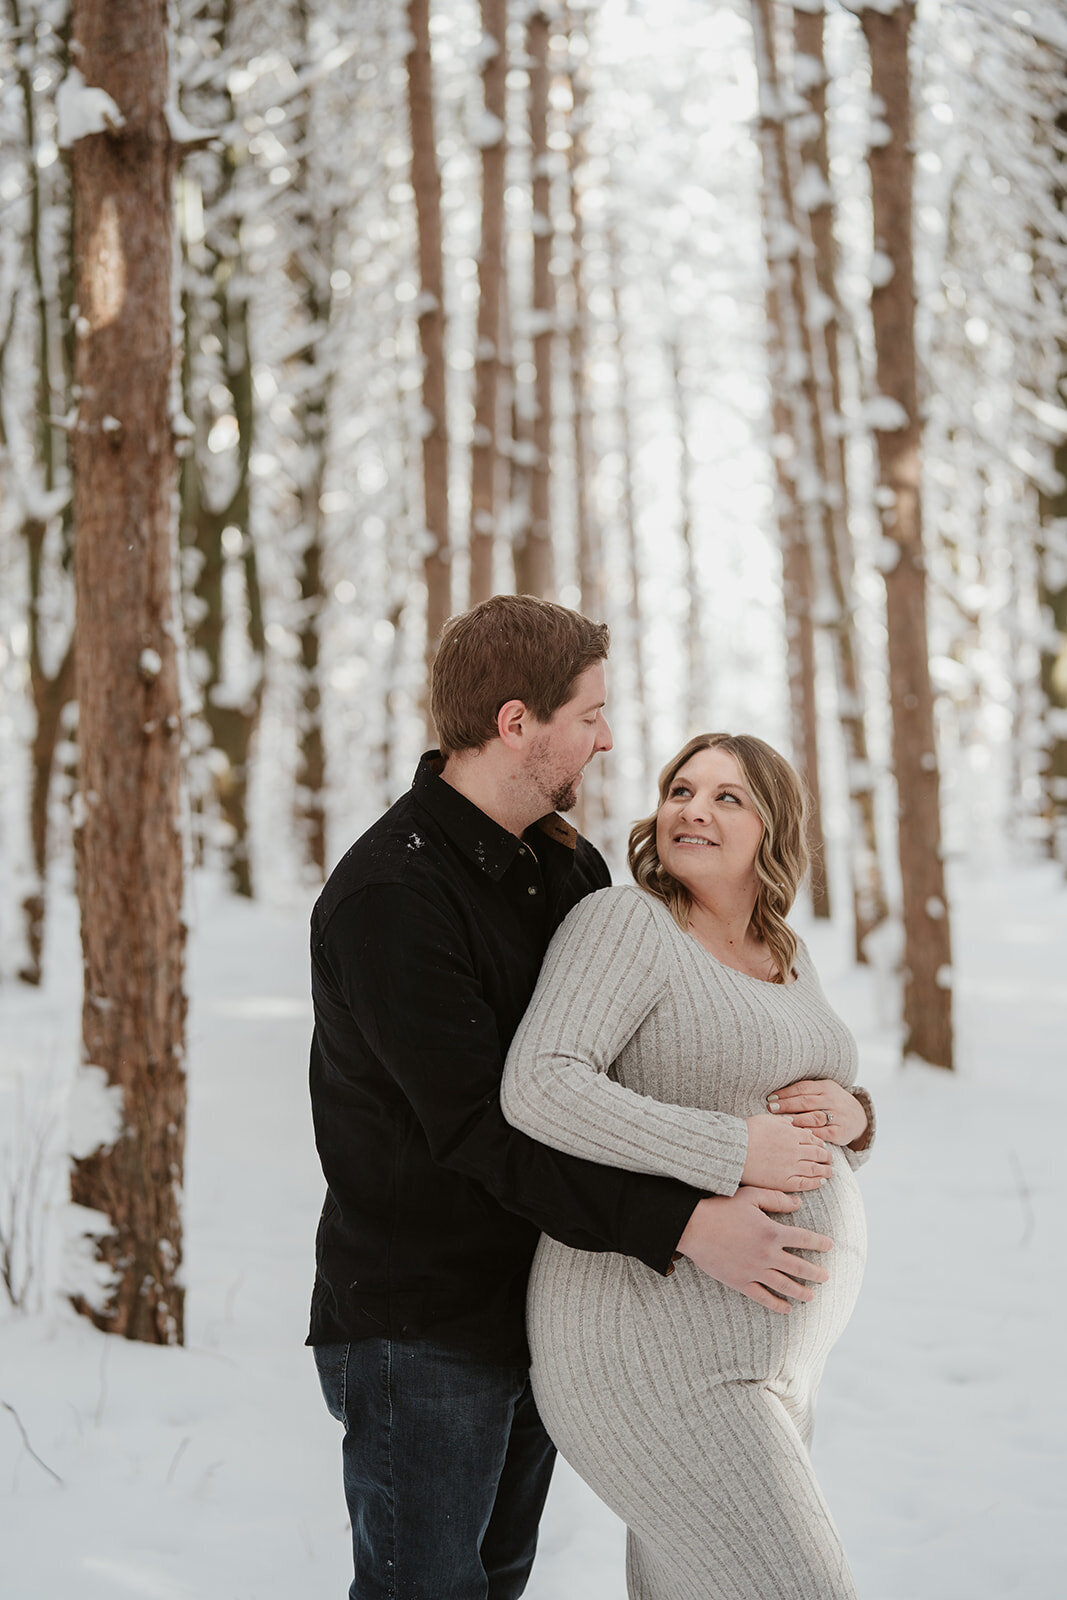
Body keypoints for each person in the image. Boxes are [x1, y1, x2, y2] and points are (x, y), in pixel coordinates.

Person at [308, 599, 836, 1600]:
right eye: (589, 714)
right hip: (421, 1324)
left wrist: (842, 1113)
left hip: (541, 1302)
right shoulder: (392, 895)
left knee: (497, 1580)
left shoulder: (562, 865)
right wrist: (683, 1220)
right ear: (517, 724)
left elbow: (656, 1060)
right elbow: (482, 1129)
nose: (604, 737)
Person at [501, 731, 874, 1600]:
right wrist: (729, 1148)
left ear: (771, 830)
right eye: (680, 789)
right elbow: (541, 1085)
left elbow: (806, 1098)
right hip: (647, 1338)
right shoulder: (626, 922)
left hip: (767, 1358)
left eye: (726, 796)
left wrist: (855, 1117)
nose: (692, 809)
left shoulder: (785, 949)